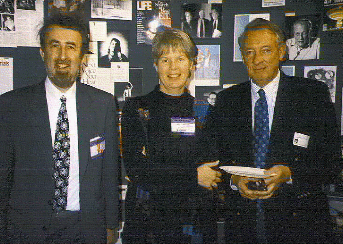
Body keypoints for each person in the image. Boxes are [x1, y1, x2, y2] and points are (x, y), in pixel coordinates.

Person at [197, 18, 341, 243]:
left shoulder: (312, 95)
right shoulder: (226, 101)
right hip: (243, 224)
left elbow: (331, 162)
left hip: (301, 224)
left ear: (282, 52)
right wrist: (234, 180)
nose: (257, 60)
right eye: (250, 52)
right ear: (243, 57)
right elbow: (212, 159)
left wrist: (290, 174)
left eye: (265, 50)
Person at [0, 12, 119, 243]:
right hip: (27, 230)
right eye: (55, 46)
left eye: (71, 47)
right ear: (43, 53)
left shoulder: (104, 105)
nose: (63, 55)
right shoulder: (10, 106)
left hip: (86, 228)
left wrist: (111, 225)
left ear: (83, 56)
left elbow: (109, 172)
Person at [121, 28, 208, 243]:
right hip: (147, 224)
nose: (173, 67)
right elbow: (137, 170)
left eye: (180, 59)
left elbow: (210, 172)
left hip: (191, 221)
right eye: (165, 60)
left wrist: (159, 164)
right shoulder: (137, 109)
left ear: (191, 65)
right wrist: (192, 175)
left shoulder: (204, 111)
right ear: (155, 65)